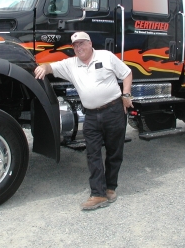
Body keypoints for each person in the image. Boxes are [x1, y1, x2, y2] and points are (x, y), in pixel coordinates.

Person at [34, 31, 133, 210]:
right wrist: (43, 68)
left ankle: (110, 187)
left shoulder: (106, 56)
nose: (79, 48)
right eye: (75, 45)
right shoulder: (71, 64)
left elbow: (127, 73)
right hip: (92, 116)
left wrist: (126, 95)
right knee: (92, 154)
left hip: (114, 111)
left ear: (90, 43)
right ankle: (97, 194)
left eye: (82, 43)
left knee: (114, 151)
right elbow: (51, 67)